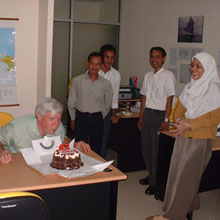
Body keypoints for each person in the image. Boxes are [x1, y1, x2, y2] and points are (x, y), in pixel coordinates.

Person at [145, 52, 220, 220]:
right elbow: (180, 107)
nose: (193, 69)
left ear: (207, 69)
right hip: (183, 137)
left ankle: (172, 216)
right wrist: (179, 121)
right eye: (192, 65)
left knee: (186, 179)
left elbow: (214, 117)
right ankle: (188, 207)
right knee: (178, 175)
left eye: (198, 66)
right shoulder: (191, 86)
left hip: (199, 141)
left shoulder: (214, 89)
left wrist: (190, 124)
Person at [0, 97, 91, 165]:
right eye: (51, 119)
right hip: (17, 166)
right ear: (39, 116)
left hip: (44, 166)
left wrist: (74, 145)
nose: (56, 124)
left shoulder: (58, 127)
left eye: (59, 119)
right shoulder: (16, 128)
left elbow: (62, 142)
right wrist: (2, 152)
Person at [137, 47, 176, 195]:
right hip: (147, 114)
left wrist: (166, 119)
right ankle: (150, 174)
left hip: (160, 116)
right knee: (146, 148)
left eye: (158, 57)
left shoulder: (168, 75)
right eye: (152, 57)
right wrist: (141, 116)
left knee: (156, 150)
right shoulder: (147, 76)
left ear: (164, 58)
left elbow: (170, 98)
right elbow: (144, 97)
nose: (154, 60)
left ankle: (155, 182)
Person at [68, 52, 113, 155]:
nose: (94, 67)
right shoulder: (77, 81)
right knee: (80, 148)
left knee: (96, 148)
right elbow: (71, 102)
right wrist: (73, 118)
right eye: (92, 63)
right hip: (81, 118)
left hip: (97, 119)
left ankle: (95, 169)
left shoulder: (106, 84)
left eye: (98, 64)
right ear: (88, 63)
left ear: (101, 66)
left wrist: (101, 116)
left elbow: (107, 103)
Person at [98, 44, 121, 158]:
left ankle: (101, 162)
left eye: (112, 57)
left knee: (103, 139)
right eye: (107, 57)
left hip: (106, 111)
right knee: (90, 139)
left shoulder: (116, 74)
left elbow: (115, 94)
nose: (109, 60)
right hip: (93, 110)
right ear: (102, 57)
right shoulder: (95, 71)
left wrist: (114, 114)